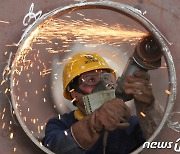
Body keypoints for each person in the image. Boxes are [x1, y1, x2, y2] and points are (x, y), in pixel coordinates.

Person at [43, 52, 163, 154]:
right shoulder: (60, 124)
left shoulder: (131, 125)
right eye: (91, 79)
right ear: (74, 93)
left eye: (106, 78)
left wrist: (149, 107)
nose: (102, 86)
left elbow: (164, 144)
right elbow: (55, 147)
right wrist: (94, 123)